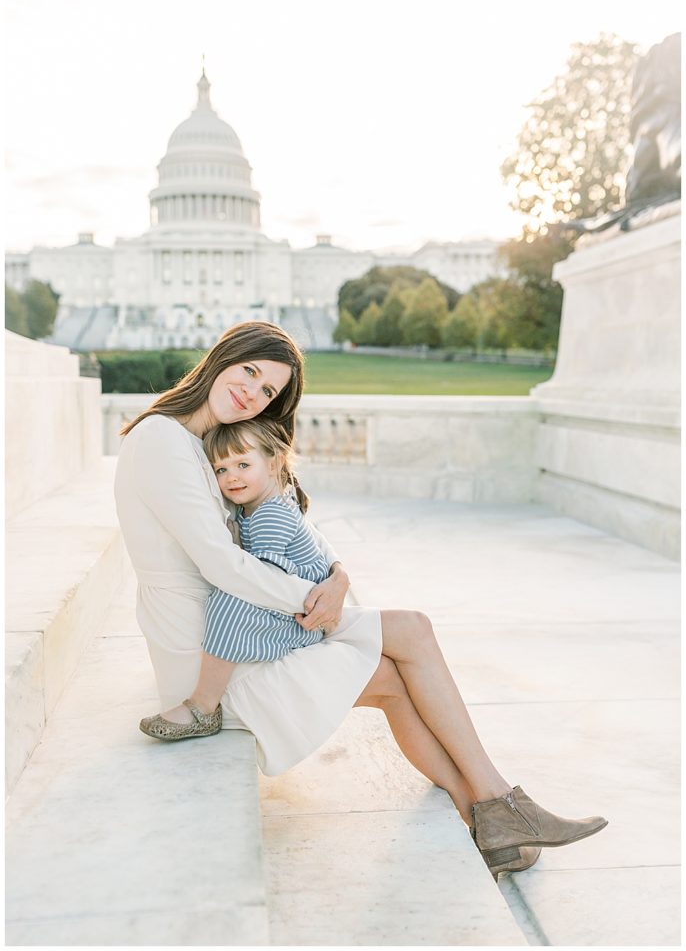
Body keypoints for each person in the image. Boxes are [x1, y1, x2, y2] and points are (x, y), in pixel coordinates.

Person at [114, 320, 607, 880]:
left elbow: (280, 523)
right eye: (250, 371)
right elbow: (221, 564)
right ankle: (496, 809)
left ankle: (493, 810)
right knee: (407, 643)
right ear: (223, 356)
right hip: (207, 649)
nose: (253, 392)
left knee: (406, 650)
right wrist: (317, 598)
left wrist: (339, 575)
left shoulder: (210, 443)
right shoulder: (161, 440)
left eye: (269, 390)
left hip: (239, 625)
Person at [139, 417, 331, 741]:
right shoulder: (256, 506)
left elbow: (265, 580)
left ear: (274, 464)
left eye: (243, 464)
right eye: (221, 470)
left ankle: (203, 706)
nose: (232, 477)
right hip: (291, 598)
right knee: (228, 596)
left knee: (228, 603)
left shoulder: (270, 514)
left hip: (304, 617)